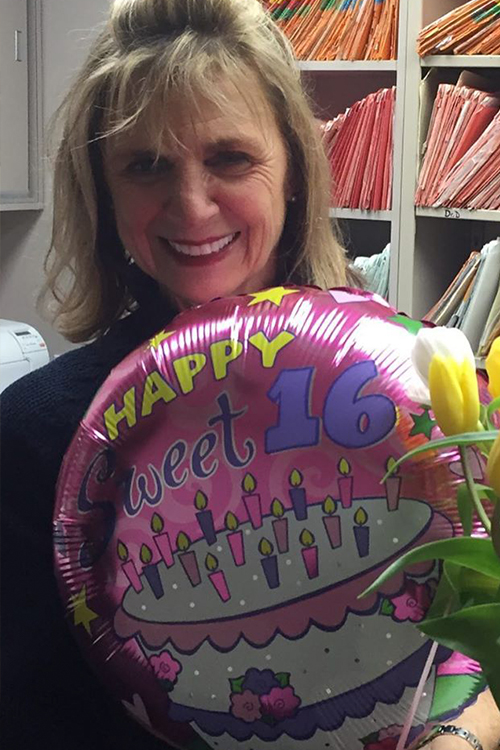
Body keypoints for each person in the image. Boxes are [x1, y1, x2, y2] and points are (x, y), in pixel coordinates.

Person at [1, 1, 499, 749]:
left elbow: (481, 646)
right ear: (105, 193)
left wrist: (461, 737)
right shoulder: (38, 433)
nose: (192, 205)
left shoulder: (417, 389)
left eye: (229, 157)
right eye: (147, 165)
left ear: (293, 170)